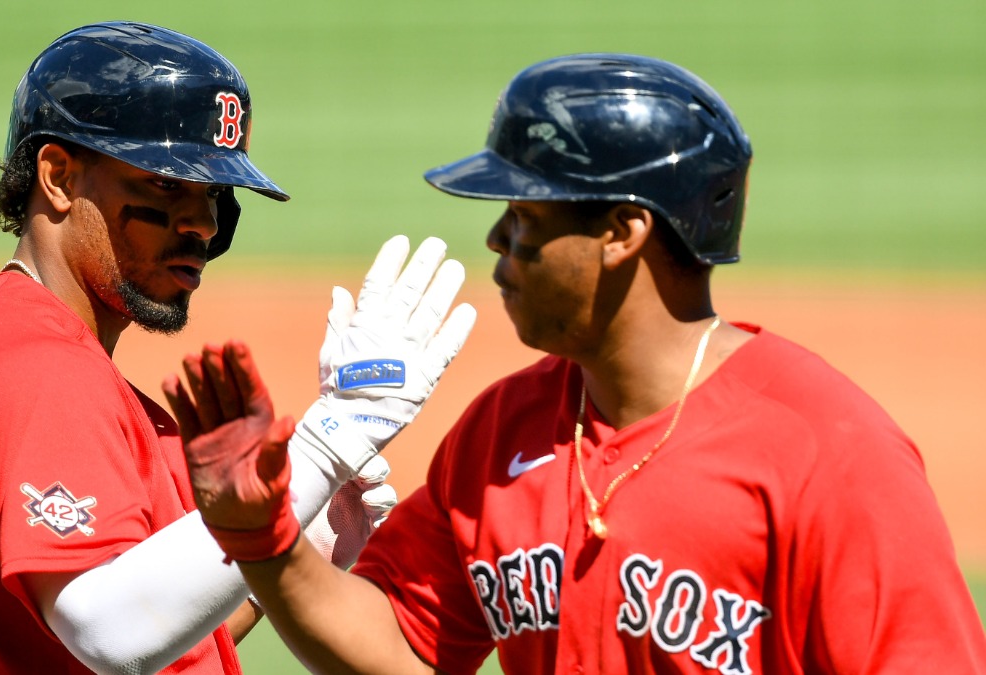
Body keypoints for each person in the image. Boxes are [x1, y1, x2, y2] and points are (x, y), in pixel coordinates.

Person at [173, 54, 986, 673]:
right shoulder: (506, 430)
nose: (497, 241)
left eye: (525, 216)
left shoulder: (829, 453)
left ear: (623, 232)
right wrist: (265, 537)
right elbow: (403, 642)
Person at [0, 21, 474, 674]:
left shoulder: (19, 344)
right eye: (167, 185)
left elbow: (156, 641)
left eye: (213, 194)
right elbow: (106, 630)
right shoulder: (37, 366)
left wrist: (283, 541)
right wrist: (326, 444)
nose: (203, 222)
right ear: (57, 175)